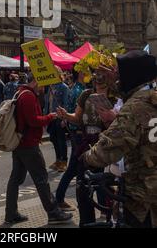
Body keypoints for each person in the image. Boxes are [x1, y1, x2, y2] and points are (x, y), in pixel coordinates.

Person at [83, 50, 157, 228]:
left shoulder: (134, 109)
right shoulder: (150, 98)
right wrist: (113, 80)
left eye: (120, 74)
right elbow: (129, 89)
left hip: (144, 198)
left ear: (130, 75)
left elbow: (107, 150)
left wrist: (85, 158)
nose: (117, 79)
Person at [4, 72, 73, 226]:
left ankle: (11, 213)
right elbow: (34, 121)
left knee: (15, 179)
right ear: (35, 81)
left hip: (20, 143)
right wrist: (51, 116)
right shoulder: (28, 95)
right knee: (42, 179)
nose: (43, 88)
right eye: (42, 83)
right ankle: (53, 213)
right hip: (28, 145)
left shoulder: (20, 92)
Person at [57, 67, 116, 226]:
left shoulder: (115, 97)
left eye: (102, 76)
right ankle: (86, 220)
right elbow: (76, 117)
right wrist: (65, 115)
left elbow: (117, 125)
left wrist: (109, 118)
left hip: (105, 144)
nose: (98, 78)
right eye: (96, 75)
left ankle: (109, 214)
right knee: (83, 183)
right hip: (85, 144)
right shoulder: (86, 95)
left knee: (106, 181)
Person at [55, 69, 85, 210]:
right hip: (79, 133)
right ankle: (60, 199)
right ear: (80, 73)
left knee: (78, 169)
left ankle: (81, 201)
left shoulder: (75, 88)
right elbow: (77, 114)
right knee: (74, 168)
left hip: (75, 132)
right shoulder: (80, 90)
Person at [46, 68, 70, 172]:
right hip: (51, 117)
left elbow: (66, 104)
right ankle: (58, 160)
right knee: (53, 139)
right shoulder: (51, 87)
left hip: (59, 118)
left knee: (61, 140)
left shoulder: (64, 87)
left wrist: (65, 119)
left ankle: (64, 161)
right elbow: (47, 103)